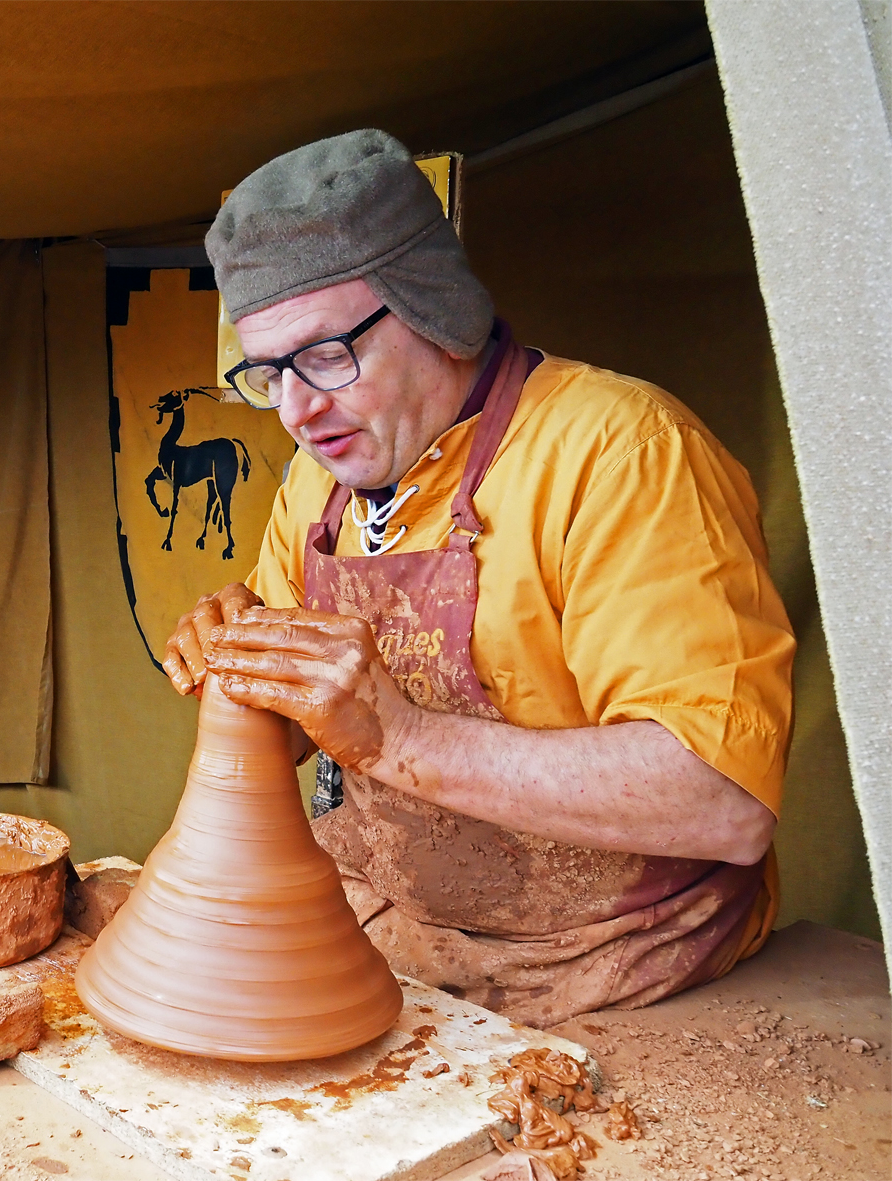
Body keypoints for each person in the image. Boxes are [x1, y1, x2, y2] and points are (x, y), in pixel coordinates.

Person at [163, 129, 794, 1027]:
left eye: (326, 355)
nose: (297, 411)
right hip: (386, 924)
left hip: (610, 953)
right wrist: (251, 672)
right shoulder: (319, 479)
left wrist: (398, 737)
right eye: (268, 374)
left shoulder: (622, 451)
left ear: (433, 308)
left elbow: (720, 801)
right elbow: (300, 734)